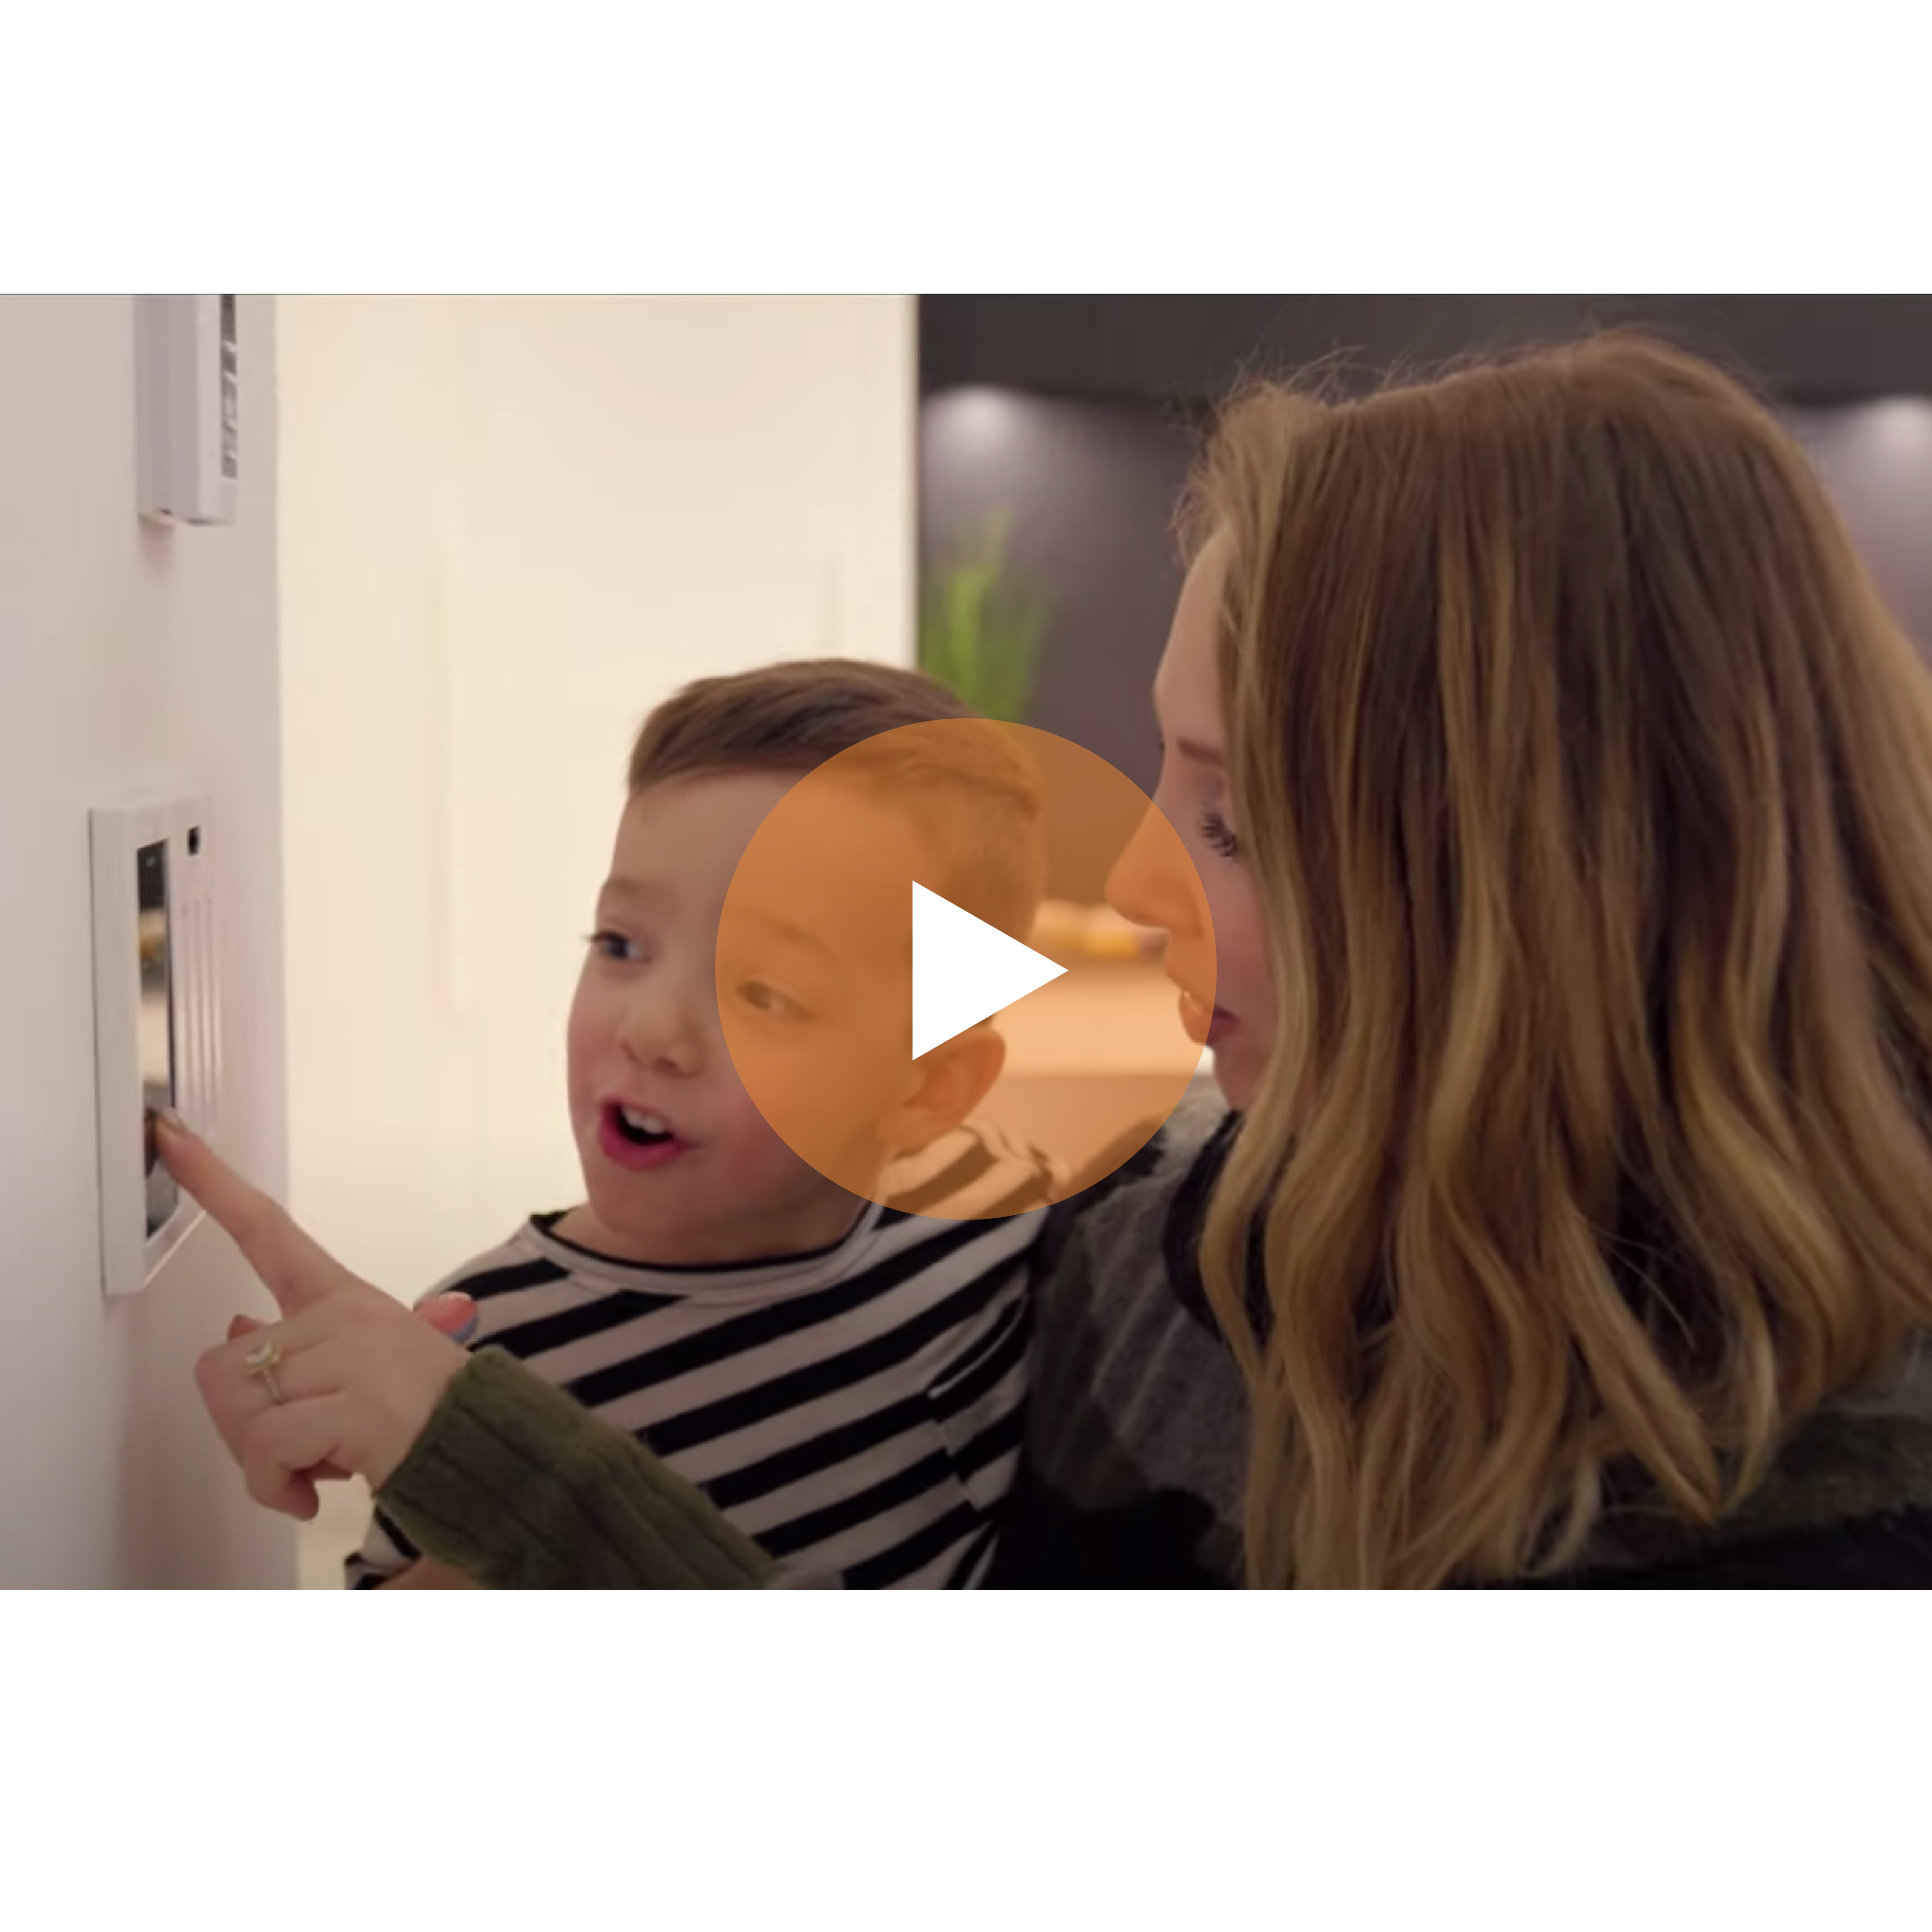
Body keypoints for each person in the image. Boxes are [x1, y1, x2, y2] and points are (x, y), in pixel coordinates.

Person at [174, 329, 1932, 1587]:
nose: (1140, 892)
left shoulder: (1824, 1519)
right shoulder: (1166, 1223)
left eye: (1231, 821)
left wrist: (520, 1485)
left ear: (1517, 894)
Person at [341, 658, 1069, 1590]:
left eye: (765, 991)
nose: (651, 1030)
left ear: (927, 1092)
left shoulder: (994, 1231)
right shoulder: (482, 1348)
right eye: (621, 945)